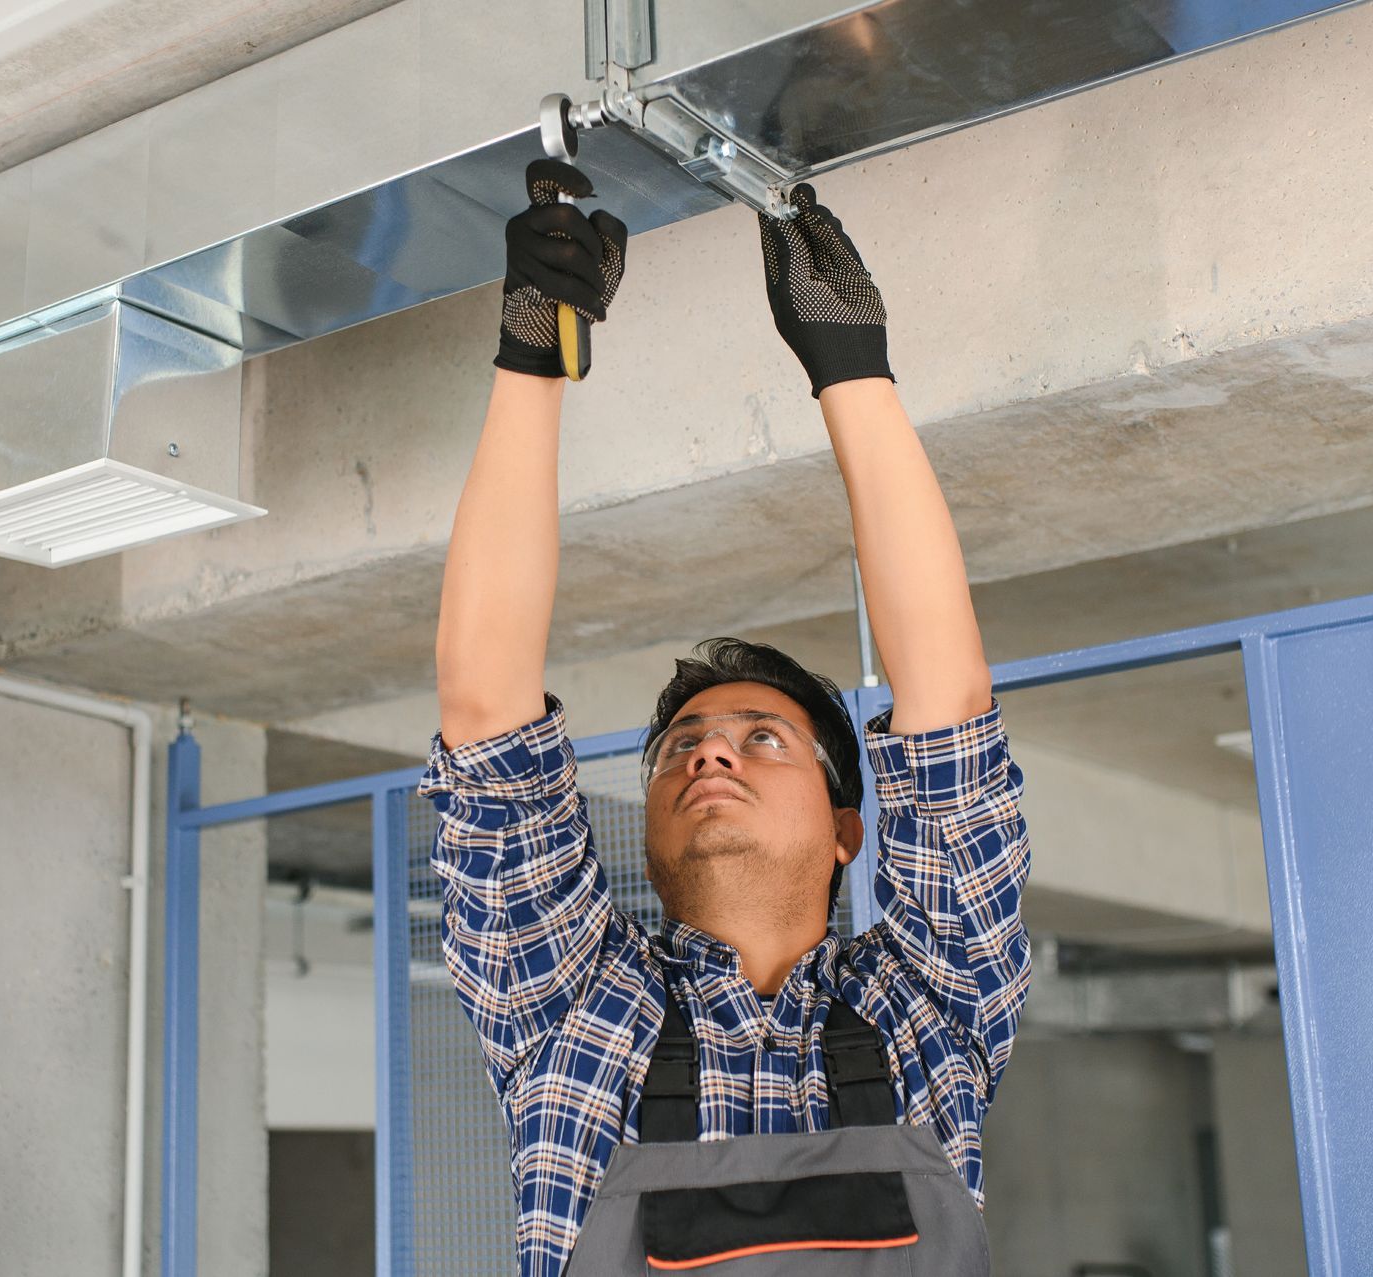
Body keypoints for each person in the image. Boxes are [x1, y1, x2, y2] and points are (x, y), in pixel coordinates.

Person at [418, 159, 1032, 1276]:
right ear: (650, 829)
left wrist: (851, 368)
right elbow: (486, 709)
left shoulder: (930, 1004)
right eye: (678, 749)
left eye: (762, 737)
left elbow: (946, 716)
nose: (706, 748)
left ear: (849, 827)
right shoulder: (570, 1002)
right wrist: (532, 350)